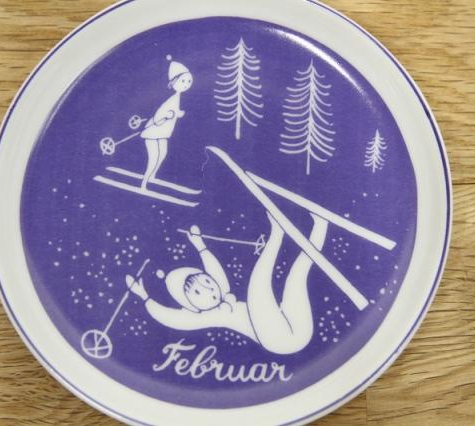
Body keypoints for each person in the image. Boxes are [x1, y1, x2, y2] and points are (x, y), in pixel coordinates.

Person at [126, 212, 329, 355]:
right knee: (258, 286)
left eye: (206, 281)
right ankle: (277, 234)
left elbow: (215, 273)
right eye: (197, 293)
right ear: (190, 305)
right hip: (278, 341)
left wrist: (200, 246)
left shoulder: (222, 291)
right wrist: (144, 297)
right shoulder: (206, 316)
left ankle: (320, 226)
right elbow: (170, 318)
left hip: (301, 334)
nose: (208, 289)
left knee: (297, 276)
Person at [139, 55, 193, 191]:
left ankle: (152, 177)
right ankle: (144, 183)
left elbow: (173, 112)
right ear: (173, 82)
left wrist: (178, 114)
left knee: (163, 153)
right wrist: (166, 115)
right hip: (153, 132)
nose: (186, 84)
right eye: (183, 81)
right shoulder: (171, 99)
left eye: (188, 81)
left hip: (163, 132)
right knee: (154, 157)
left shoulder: (177, 97)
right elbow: (158, 117)